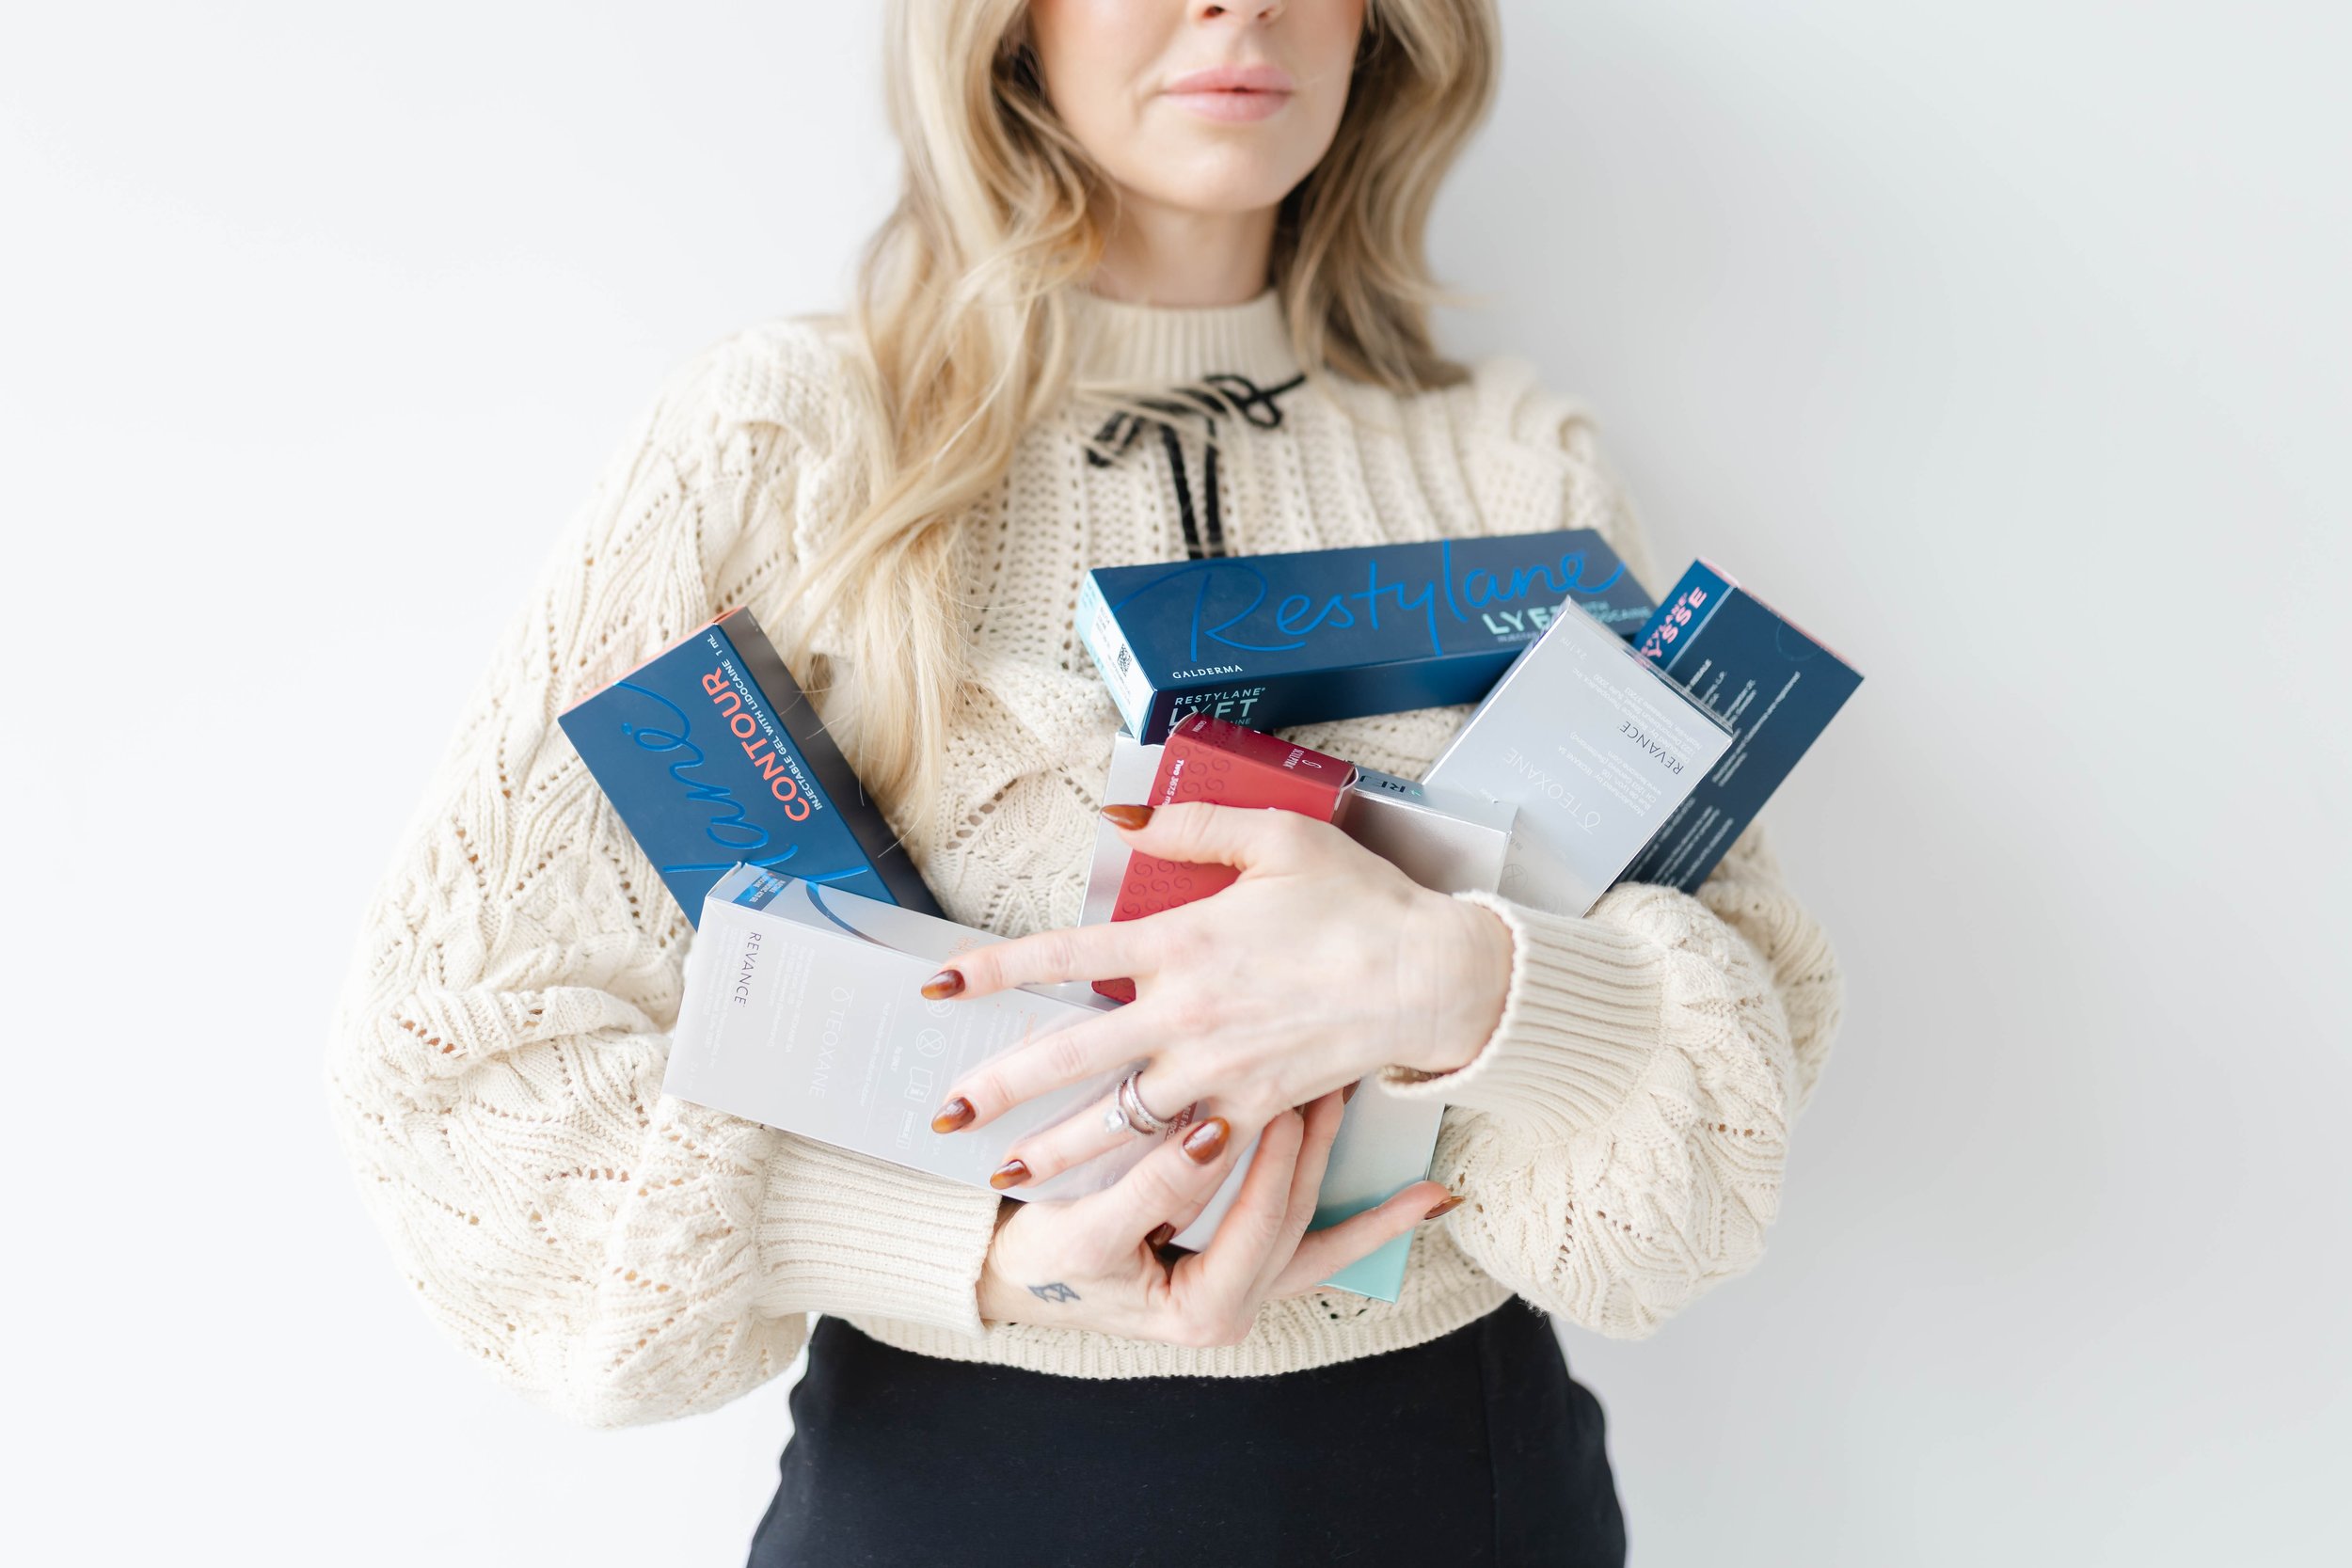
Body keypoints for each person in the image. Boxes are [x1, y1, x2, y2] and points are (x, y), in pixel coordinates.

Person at [325, 1, 1843, 1562]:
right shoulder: (793, 451)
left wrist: (1458, 980)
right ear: (1007, 27)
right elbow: (459, 1054)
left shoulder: (1518, 471)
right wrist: (978, 1247)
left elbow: (1725, 1124)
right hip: (948, 1496)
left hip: (1461, 1486)